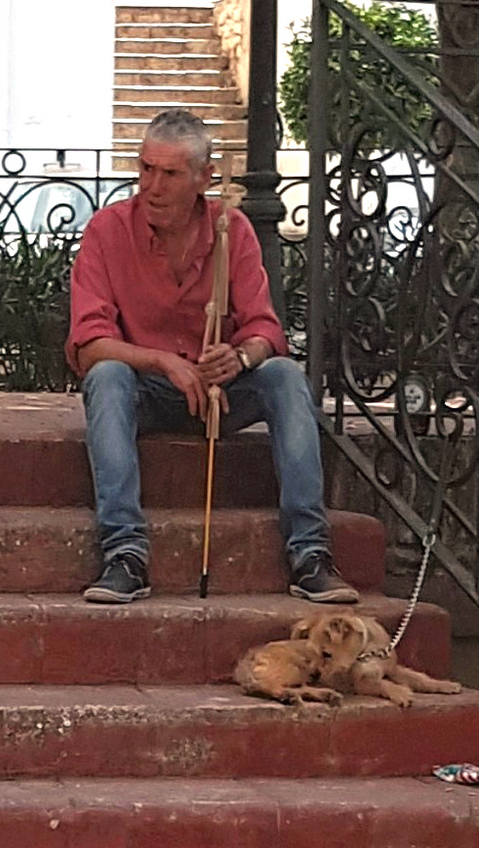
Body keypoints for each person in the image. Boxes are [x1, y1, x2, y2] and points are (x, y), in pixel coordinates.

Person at [67, 109, 358, 606]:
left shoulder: (233, 229)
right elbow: (89, 343)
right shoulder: (107, 230)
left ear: (204, 178)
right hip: (150, 389)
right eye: (145, 169)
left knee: (285, 376)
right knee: (107, 376)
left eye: (170, 174)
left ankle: (310, 554)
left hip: (223, 391)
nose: (152, 187)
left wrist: (240, 358)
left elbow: (266, 330)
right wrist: (162, 362)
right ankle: (124, 554)